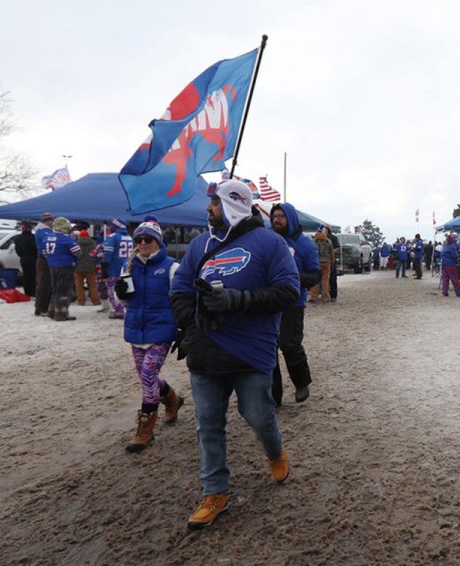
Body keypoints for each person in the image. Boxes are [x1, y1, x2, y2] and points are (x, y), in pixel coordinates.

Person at [169, 179, 299, 530]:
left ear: (233, 204)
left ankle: (275, 452)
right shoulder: (200, 246)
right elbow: (179, 290)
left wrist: (236, 300)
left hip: (251, 351)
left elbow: (289, 291)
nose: (208, 209)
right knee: (208, 423)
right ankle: (215, 492)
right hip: (205, 351)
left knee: (258, 415)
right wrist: (192, 323)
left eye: (214, 203)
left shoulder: (270, 243)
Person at [113, 221, 185, 452]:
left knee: (147, 374)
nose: (143, 243)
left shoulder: (172, 267)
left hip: (161, 331)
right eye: (139, 240)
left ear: (158, 242)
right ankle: (172, 400)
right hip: (136, 329)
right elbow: (123, 301)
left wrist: (183, 328)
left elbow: (181, 300)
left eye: (148, 239)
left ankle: (145, 430)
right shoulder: (130, 266)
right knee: (147, 377)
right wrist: (120, 293)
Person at [269, 203, 320, 406]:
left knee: (290, 345)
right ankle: (273, 396)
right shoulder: (268, 240)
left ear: (290, 218)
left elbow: (315, 274)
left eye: (281, 216)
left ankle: (301, 382)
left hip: (293, 302)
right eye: (274, 216)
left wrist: (293, 278)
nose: (277, 220)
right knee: (269, 348)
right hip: (269, 301)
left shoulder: (305, 245)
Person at [44, 216, 81, 321]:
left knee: (55, 289)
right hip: (65, 266)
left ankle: (51, 311)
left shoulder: (47, 237)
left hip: (52, 266)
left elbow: (44, 252)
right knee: (64, 291)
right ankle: (61, 313)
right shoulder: (66, 238)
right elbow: (78, 252)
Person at [101, 219, 132, 319]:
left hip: (114, 268)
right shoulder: (130, 238)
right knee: (126, 290)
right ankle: (127, 309)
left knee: (112, 290)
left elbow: (108, 254)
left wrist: (104, 267)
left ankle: (119, 311)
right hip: (127, 268)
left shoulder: (112, 237)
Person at [33, 212, 55, 316]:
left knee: (45, 283)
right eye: (52, 220)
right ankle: (42, 308)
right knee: (44, 284)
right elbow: (48, 243)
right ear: (48, 221)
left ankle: (41, 307)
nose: (53, 222)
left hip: (45, 258)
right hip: (44, 259)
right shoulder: (43, 231)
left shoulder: (43, 230)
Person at [74, 229, 101, 307]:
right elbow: (96, 255)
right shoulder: (94, 244)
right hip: (90, 267)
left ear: (80, 236)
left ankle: (81, 301)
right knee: (92, 285)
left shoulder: (76, 244)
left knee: (79, 285)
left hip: (78, 267)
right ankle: (95, 301)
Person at [14, 221, 38, 296]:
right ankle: (33, 291)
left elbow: (17, 250)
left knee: (26, 276)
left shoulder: (17, 238)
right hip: (33, 258)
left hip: (23, 259)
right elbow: (36, 249)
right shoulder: (33, 238)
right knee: (33, 276)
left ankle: (27, 292)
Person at [311, 227, 333, 302]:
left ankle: (314, 296)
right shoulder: (329, 241)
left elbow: (311, 252)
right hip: (326, 263)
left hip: (316, 263)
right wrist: (332, 263)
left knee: (315, 280)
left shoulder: (314, 241)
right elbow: (332, 253)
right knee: (325, 280)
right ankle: (325, 296)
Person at [327, 228, 340, 302]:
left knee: (332, 278)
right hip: (321, 261)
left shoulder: (333, 237)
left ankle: (333, 296)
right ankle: (324, 295)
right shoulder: (318, 237)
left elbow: (337, 248)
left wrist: (330, 252)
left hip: (331, 260)